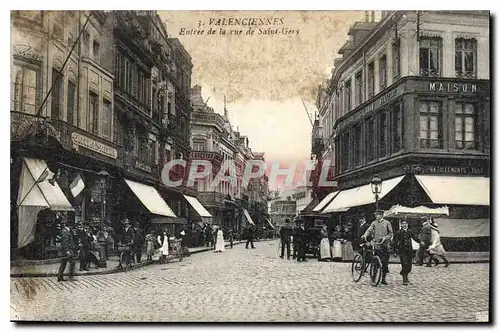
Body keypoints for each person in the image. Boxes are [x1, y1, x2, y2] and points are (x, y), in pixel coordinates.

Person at [362, 209, 393, 285]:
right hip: (376, 245)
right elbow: (369, 230)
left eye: (377, 215)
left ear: (381, 215)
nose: (376, 216)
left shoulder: (387, 223)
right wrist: (365, 235)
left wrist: (385, 238)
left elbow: (391, 233)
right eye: (376, 215)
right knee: (375, 262)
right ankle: (374, 276)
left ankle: (383, 279)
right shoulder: (374, 223)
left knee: (385, 263)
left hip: (385, 245)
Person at [392, 220, 420, 285]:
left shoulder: (410, 232)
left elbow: (415, 238)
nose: (404, 225)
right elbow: (394, 242)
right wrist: (395, 251)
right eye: (403, 224)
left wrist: (420, 241)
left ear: (407, 225)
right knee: (404, 264)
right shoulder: (398, 232)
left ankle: (405, 275)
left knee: (409, 266)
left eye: (405, 223)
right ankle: (404, 279)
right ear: (401, 225)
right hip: (402, 251)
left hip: (409, 251)